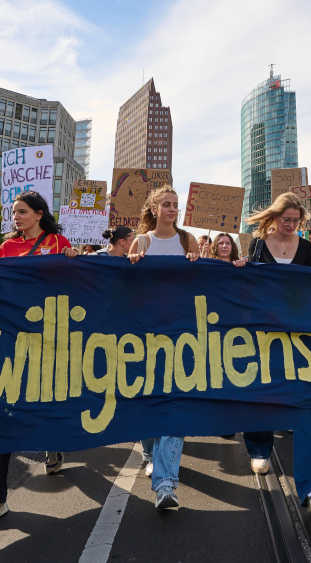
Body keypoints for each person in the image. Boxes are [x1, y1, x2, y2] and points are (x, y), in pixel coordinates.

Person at [0, 191, 79, 535]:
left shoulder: (59, 242)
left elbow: (75, 284)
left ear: (39, 214)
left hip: (49, 337)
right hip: (9, 339)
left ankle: (53, 440)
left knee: (45, 401)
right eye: (14, 212)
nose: (16, 217)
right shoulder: (6, 248)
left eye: (22, 212)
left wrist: (74, 261)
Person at [245, 192, 311, 513]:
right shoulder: (258, 245)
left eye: (296, 221)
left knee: (303, 399)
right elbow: (248, 283)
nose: (290, 226)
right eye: (286, 220)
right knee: (262, 390)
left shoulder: (304, 247)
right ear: (273, 218)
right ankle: (259, 447)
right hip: (262, 330)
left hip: (297, 330)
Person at [126, 186, 200, 509]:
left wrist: (198, 263)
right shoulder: (142, 242)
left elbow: (203, 283)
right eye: (166, 205)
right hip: (145, 333)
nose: (173, 209)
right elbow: (128, 288)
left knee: (175, 402)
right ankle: (148, 449)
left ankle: (166, 484)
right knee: (148, 398)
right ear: (154, 209)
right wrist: (131, 265)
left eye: (176, 205)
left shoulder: (188, 241)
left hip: (180, 332)